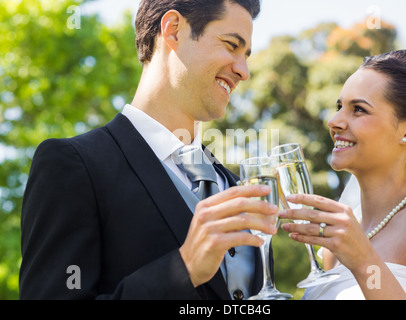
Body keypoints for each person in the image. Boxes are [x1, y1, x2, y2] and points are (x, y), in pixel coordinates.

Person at [19, 0, 278, 300]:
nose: (244, 71)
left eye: (246, 56)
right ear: (173, 30)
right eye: (231, 45)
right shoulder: (74, 166)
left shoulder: (235, 187)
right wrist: (184, 268)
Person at [280, 49, 406, 300]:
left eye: (358, 109)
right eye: (339, 106)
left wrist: (363, 260)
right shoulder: (336, 246)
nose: (334, 121)